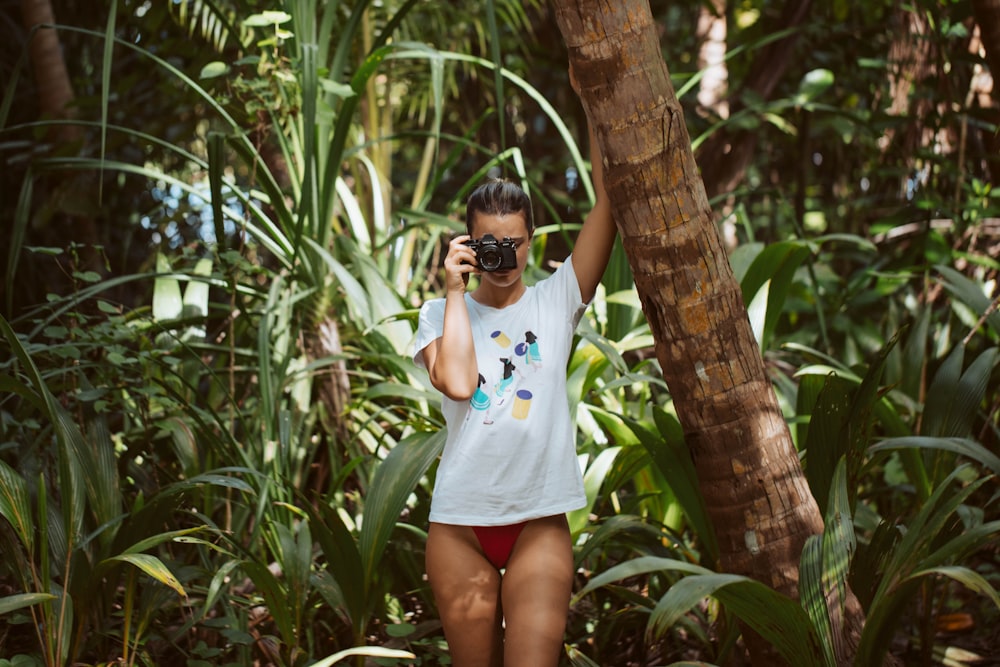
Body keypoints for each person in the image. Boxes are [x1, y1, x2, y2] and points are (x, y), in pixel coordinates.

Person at [413, 83, 616, 667]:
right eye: (488, 245)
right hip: (459, 525)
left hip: (538, 520)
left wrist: (592, 99)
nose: (503, 257)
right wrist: (455, 291)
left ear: (531, 241)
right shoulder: (438, 315)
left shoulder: (559, 299)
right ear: (469, 243)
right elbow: (456, 382)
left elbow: (608, 202)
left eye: (514, 244)